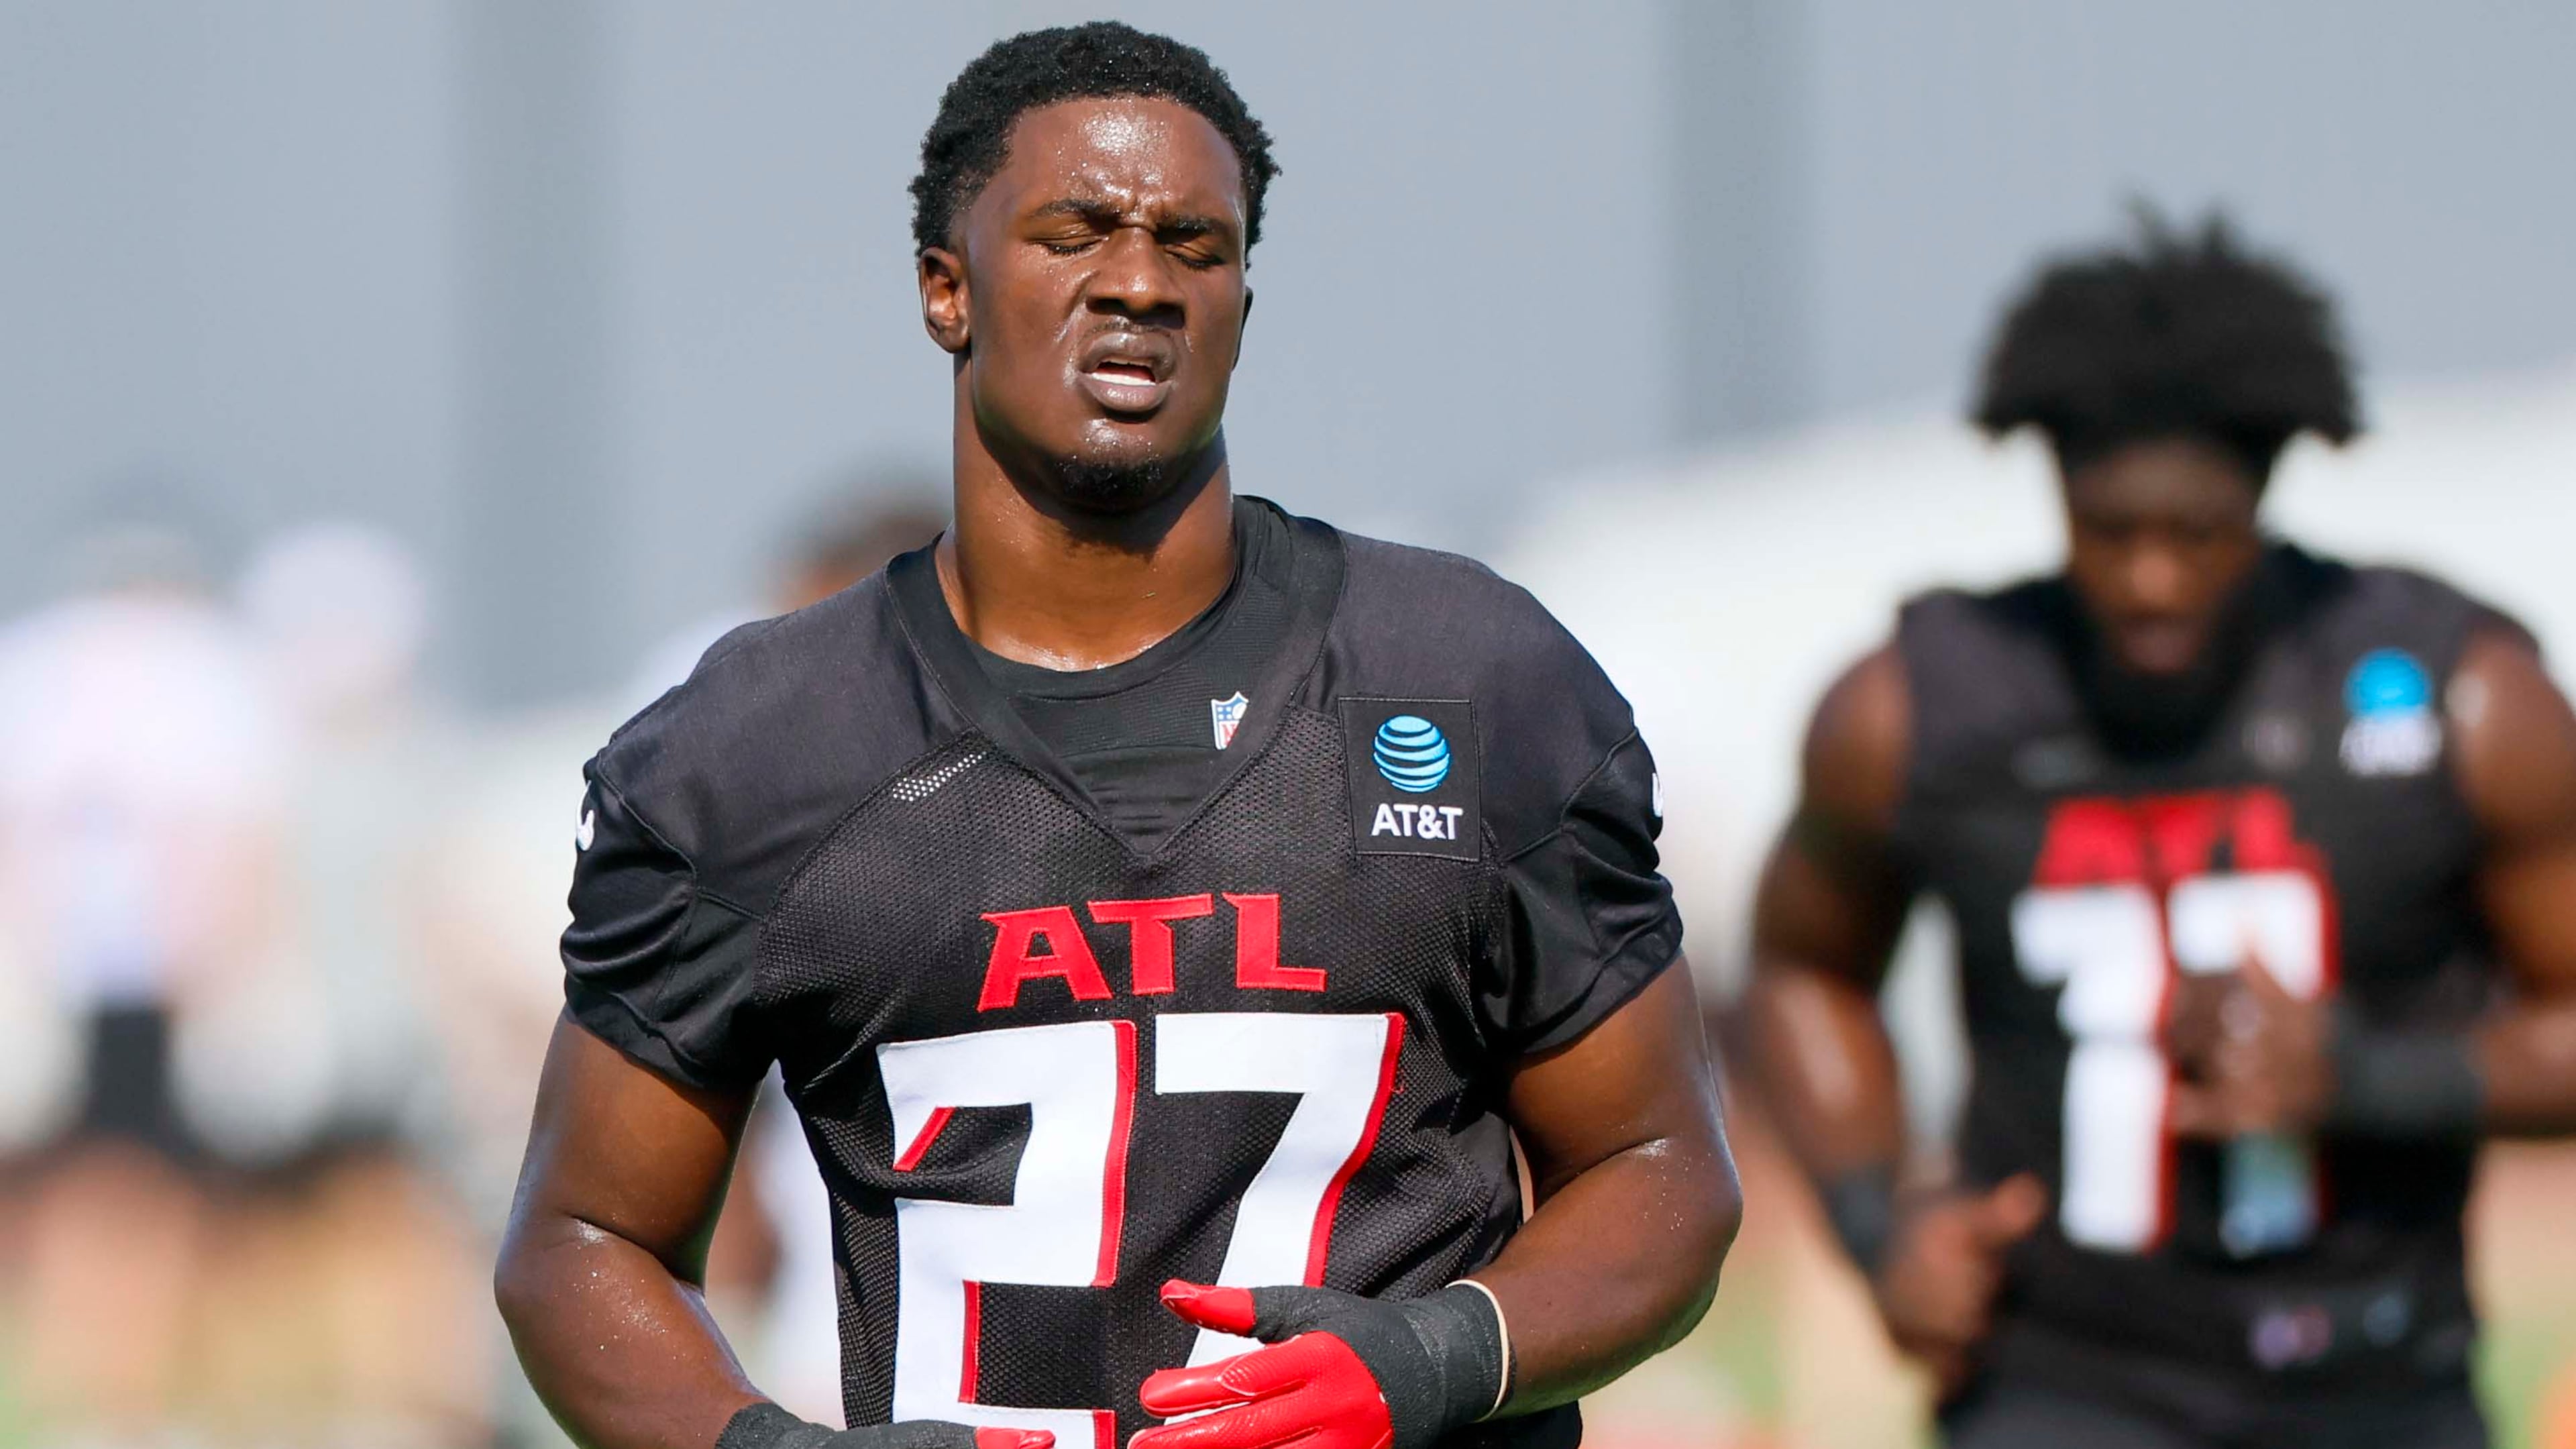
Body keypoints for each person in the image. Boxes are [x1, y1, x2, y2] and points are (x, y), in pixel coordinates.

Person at [495, 23, 1739, 1449]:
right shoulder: (755, 750)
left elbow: (1659, 1168)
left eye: (1194, 245)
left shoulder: (1473, 678)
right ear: (946, 289)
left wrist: (1436, 1358)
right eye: (1075, 232)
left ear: (1244, 300)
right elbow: (581, 1240)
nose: (1140, 281)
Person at [1736, 211, 2576, 1448]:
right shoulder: (1915, 709)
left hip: (2377, 1373)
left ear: (2269, 496)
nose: (2151, 583)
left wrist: (2368, 1076)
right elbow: (1805, 970)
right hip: (2066, 1378)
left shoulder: (2458, 695)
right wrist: (1879, 1230)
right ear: (2056, 496)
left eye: (2197, 536)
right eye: (2109, 532)